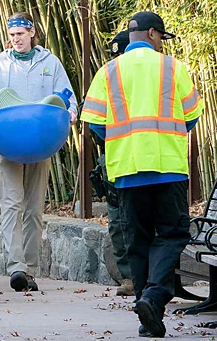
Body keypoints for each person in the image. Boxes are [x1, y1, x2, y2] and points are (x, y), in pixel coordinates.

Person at [81, 11, 202, 338]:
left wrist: (123, 141)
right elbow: (192, 115)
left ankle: (147, 313)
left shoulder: (108, 71)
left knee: (138, 241)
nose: (162, 41)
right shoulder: (172, 67)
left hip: (127, 170)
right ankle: (153, 297)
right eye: (161, 36)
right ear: (152, 33)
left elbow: (93, 121)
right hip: (168, 168)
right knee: (173, 233)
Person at [0, 12, 77, 292]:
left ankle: (29, 270)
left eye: (20, 34)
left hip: (40, 142)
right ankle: (16, 267)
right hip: (6, 144)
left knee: (33, 208)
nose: (15, 40)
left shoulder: (50, 63)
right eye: (11, 36)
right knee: (10, 205)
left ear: (32, 33)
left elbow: (67, 96)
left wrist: (69, 113)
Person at [88, 30, 135, 297]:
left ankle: (149, 275)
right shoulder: (107, 76)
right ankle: (129, 276)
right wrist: (116, 140)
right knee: (118, 219)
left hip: (146, 155)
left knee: (141, 217)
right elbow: (94, 119)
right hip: (114, 157)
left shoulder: (151, 76)